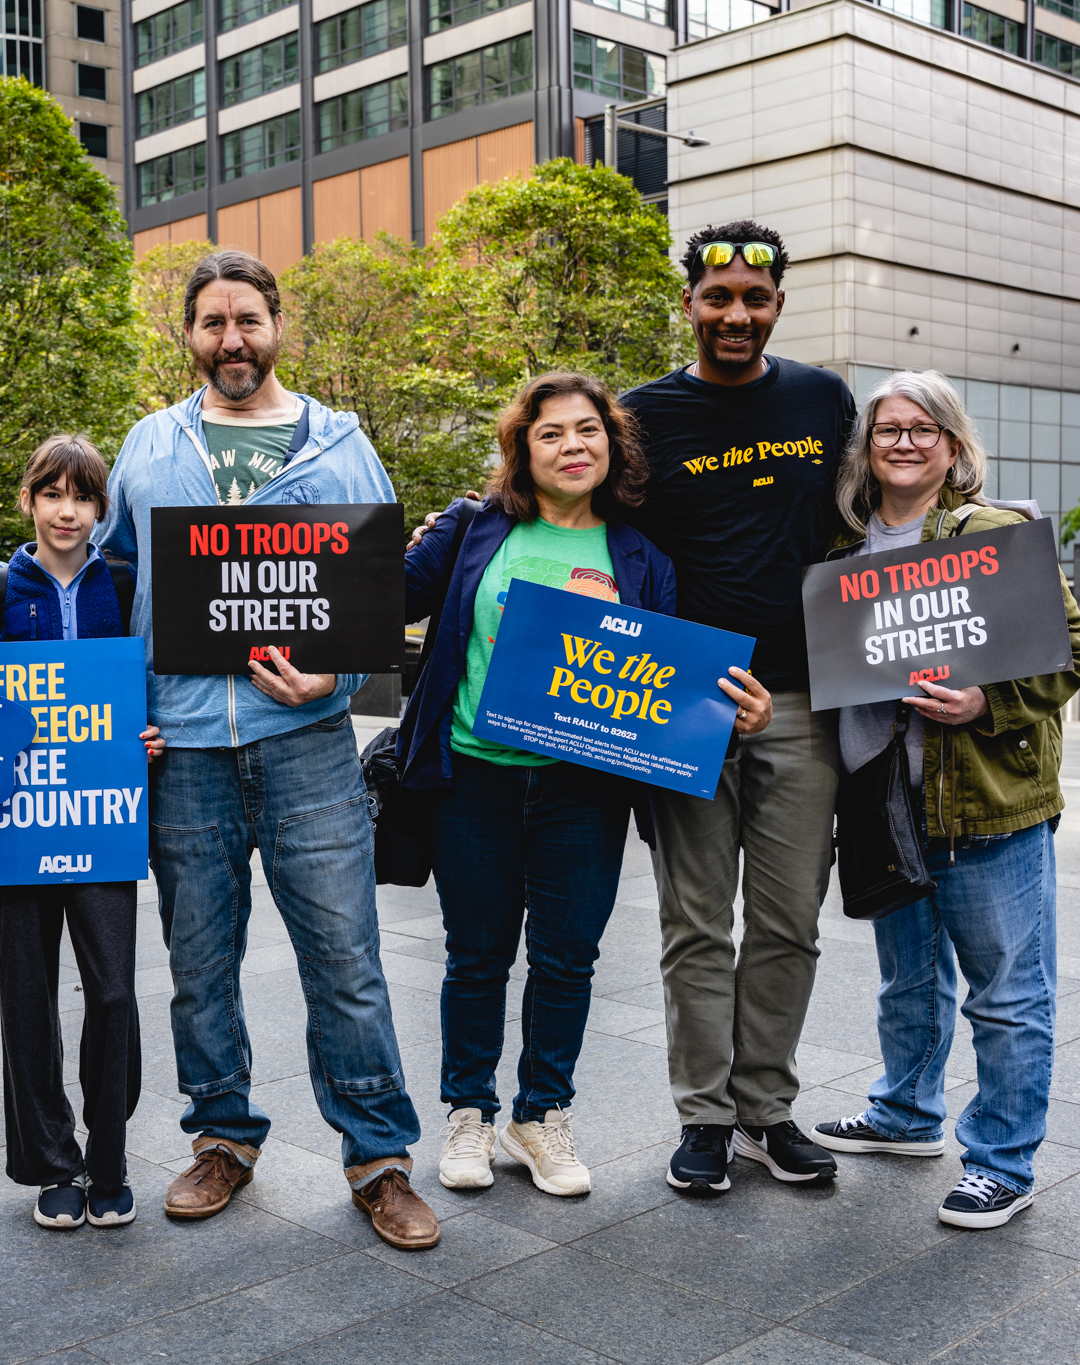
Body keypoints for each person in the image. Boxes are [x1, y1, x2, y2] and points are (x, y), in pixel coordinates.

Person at [0, 250, 440, 1251]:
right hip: (179, 753)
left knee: (344, 961)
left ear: (275, 326)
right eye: (211, 323)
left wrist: (334, 683)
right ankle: (222, 1137)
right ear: (189, 334)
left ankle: (379, 1159)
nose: (231, 340)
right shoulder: (148, 447)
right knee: (198, 965)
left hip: (303, 744)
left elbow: (375, 591)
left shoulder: (339, 446)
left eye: (247, 320)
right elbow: (96, 570)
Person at [409, 221, 855, 1197]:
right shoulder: (644, 417)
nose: (733, 313)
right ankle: (702, 1119)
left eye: (753, 298)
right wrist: (450, 523)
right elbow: (569, 527)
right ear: (689, 301)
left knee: (787, 924)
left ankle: (764, 1111)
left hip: (797, 701)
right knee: (694, 926)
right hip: (675, 709)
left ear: (777, 304)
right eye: (716, 296)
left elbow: (862, 523)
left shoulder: (825, 400)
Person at [400, 373, 771, 1197]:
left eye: (587, 430)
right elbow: (383, 596)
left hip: (584, 793)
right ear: (521, 451)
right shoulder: (472, 528)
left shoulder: (642, 557)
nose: (573, 446)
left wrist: (730, 710)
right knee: (477, 955)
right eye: (551, 434)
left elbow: (670, 685)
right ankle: (469, 1113)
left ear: (613, 443)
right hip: (472, 777)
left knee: (568, 959)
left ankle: (542, 1114)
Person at [809, 371, 1080, 1229]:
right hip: (885, 807)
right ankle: (905, 1114)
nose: (902, 441)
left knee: (1006, 994)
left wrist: (985, 703)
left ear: (955, 447)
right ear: (866, 449)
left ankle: (1002, 1161)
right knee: (908, 981)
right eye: (887, 428)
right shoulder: (842, 554)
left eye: (923, 429)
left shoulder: (993, 532)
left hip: (986, 808)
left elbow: (1069, 651)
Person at [0, 435, 165, 1230]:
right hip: (18, 817)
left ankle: (109, 1153)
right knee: (28, 996)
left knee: (112, 992)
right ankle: (53, 1165)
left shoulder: (129, 584)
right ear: (29, 502)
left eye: (82, 496)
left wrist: (151, 734)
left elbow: (150, 684)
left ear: (102, 509)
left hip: (103, 819)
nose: (66, 510)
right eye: (51, 494)